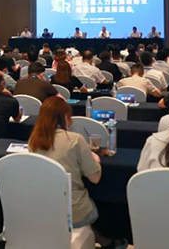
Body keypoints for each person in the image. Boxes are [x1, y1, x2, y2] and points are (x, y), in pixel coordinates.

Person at [28, 96, 121, 247]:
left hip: (43, 208)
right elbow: (95, 178)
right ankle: (107, 241)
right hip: (72, 211)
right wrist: (95, 159)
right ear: (65, 117)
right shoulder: (75, 139)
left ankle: (102, 241)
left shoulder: (33, 141)